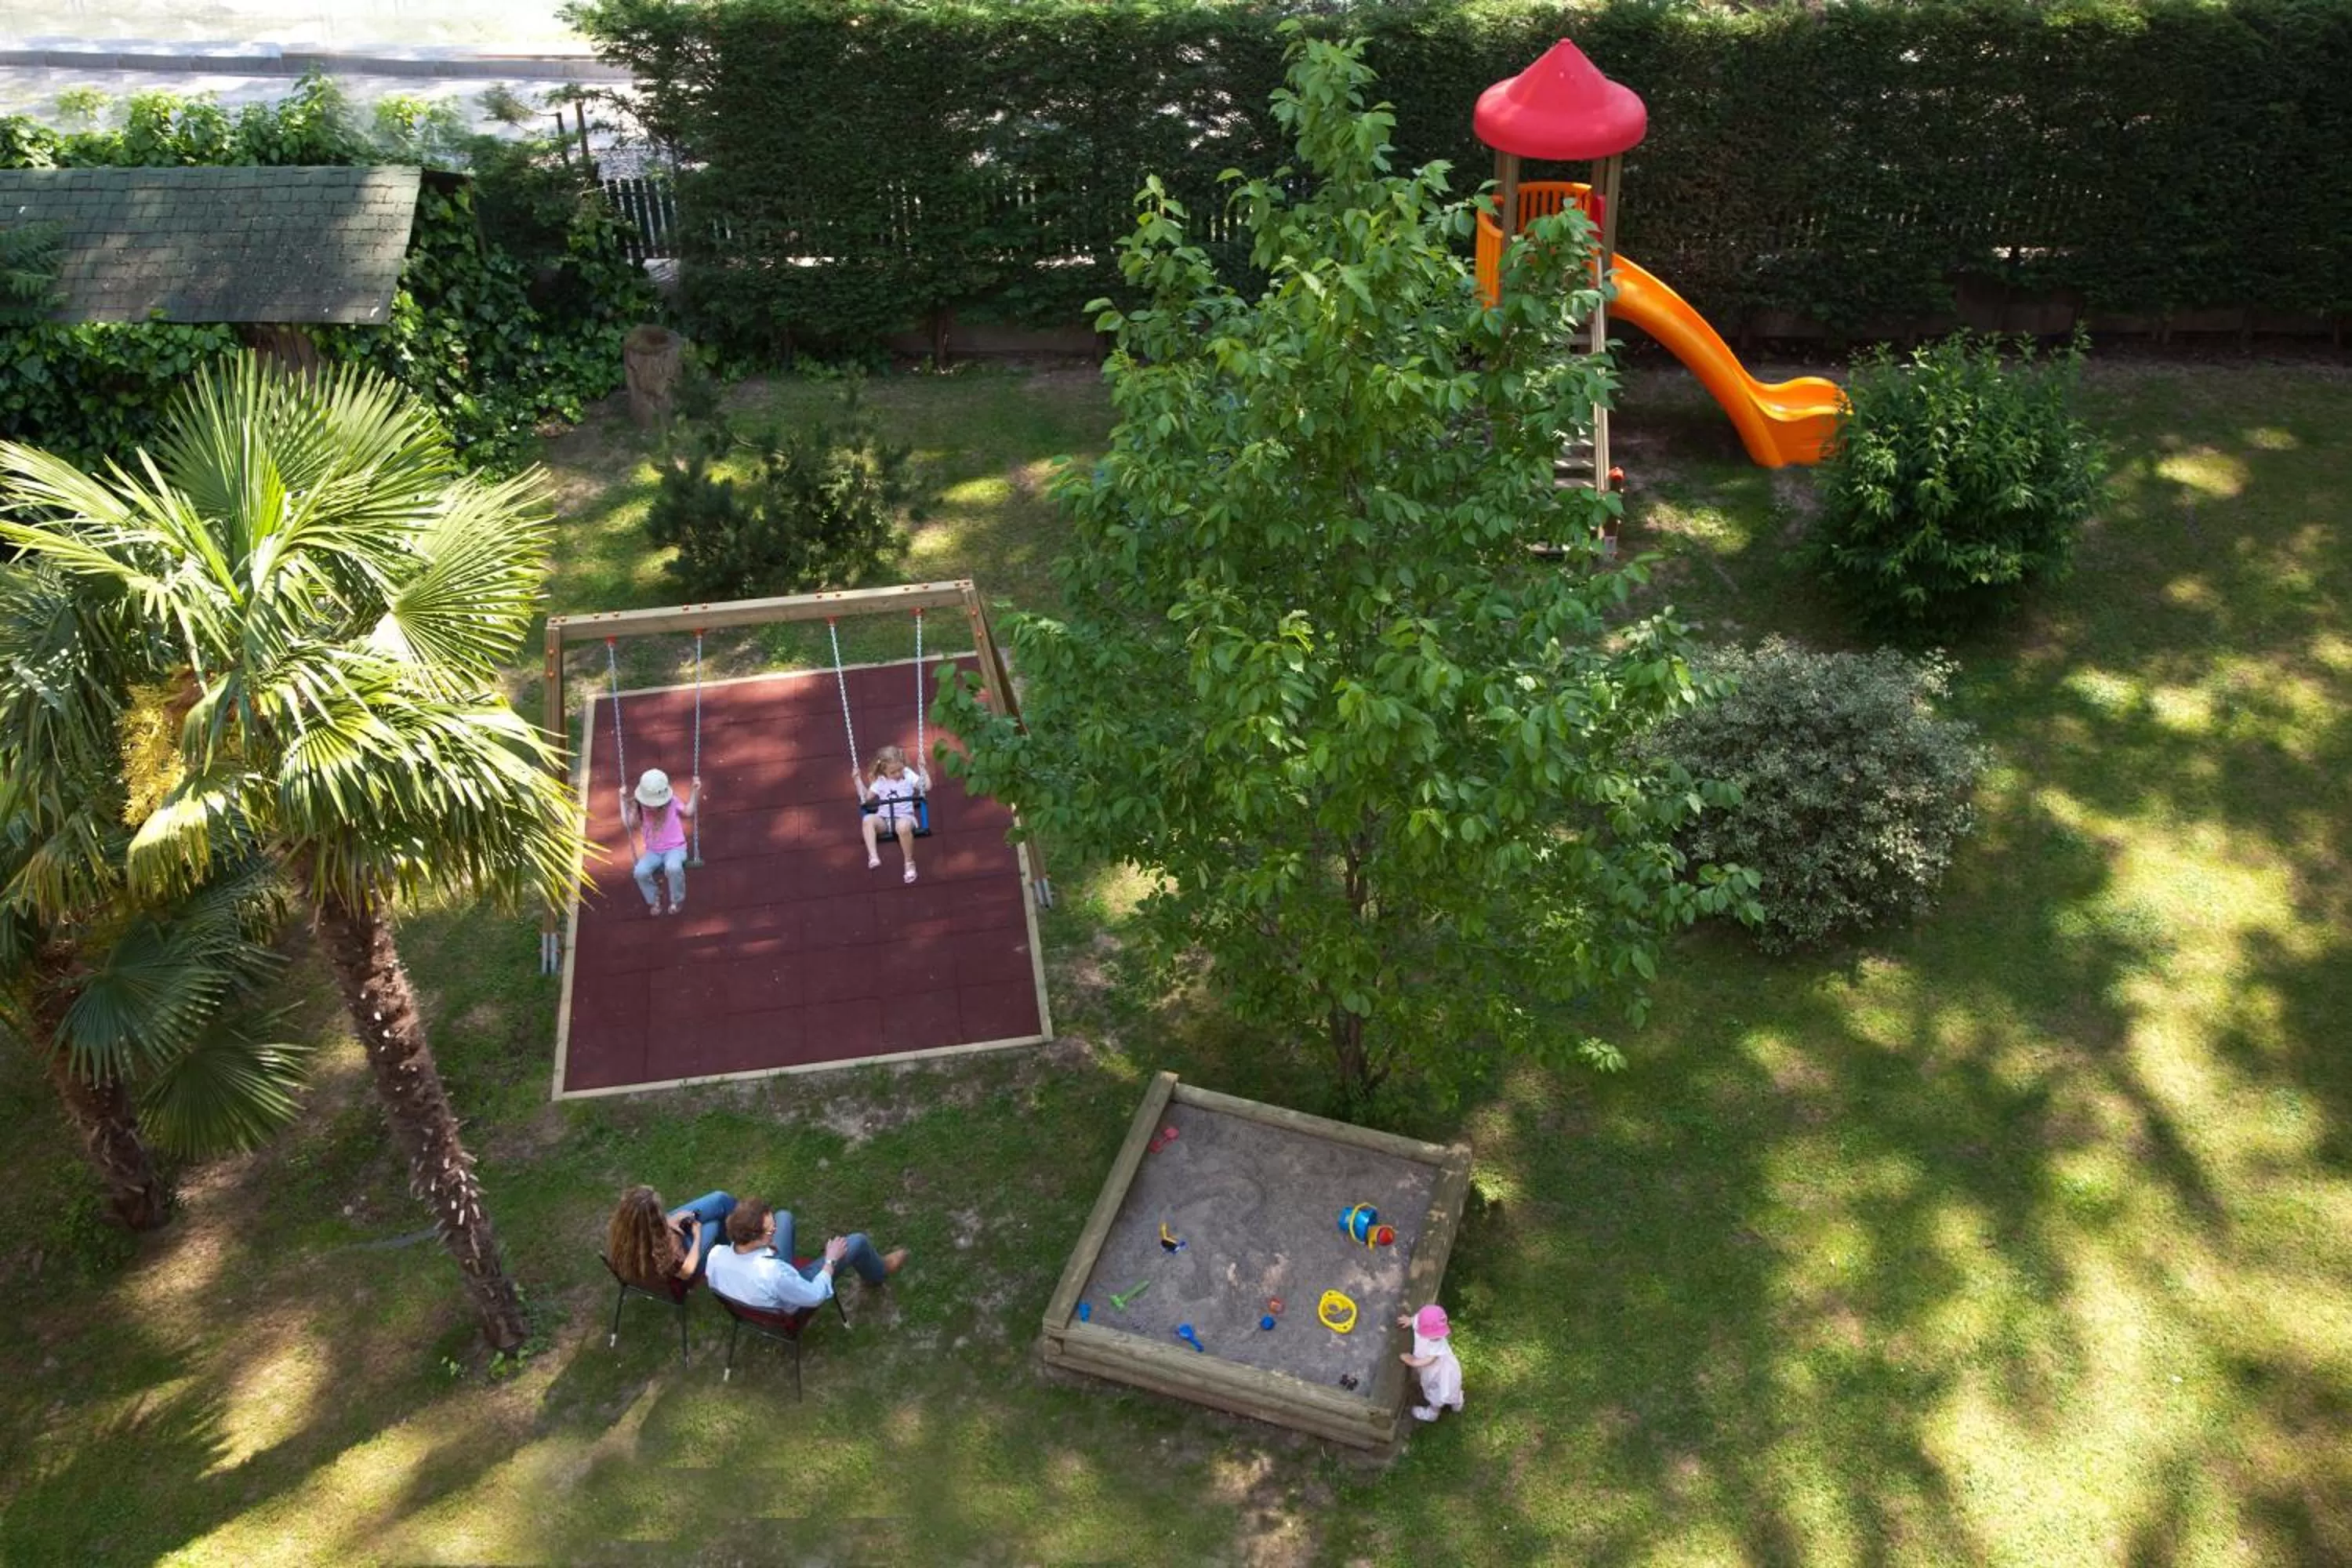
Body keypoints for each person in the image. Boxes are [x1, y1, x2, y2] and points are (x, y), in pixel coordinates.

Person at [705, 1196, 909, 1314]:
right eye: (770, 1231)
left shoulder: (715, 1255)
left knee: (785, 1217)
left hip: (756, 1294)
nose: (775, 1229)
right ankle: (878, 1272)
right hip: (789, 1305)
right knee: (856, 1242)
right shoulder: (776, 1273)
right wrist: (830, 1259)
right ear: (753, 1238)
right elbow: (814, 1296)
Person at [606, 1185, 735, 1293]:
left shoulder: (622, 1232)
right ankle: (737, 1250)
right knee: (716, 1222)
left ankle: (742, 1234)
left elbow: (647, 1232)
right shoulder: (658, 1256)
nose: (662, 1212)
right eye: (659, 1213)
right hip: (684, 1266)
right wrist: (697, 1236)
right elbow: (686, 1272)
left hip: (667, 1242)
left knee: (720, 1199)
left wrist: (668, 1222)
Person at [621, 768, 701, 915]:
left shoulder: (672, 803)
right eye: (648, 802)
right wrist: (621, 799)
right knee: (640, 872)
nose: (651, 806)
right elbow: (628, 823)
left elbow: (689, 811)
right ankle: (654, 897)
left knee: (673, 868)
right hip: (654, 852)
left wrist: (695, 790)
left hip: (675, 849)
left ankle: (677, 899)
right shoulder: (640, 807)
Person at [852, 744, 930, 884]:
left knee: (902, 826)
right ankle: (873, 856)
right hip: (884, 820)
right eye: (893, 772)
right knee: (868, 819)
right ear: (883, 771)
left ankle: (909, 862)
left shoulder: (908, 774)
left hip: (906, 818)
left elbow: (926, 787)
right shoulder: (880, 781)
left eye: (899, 769)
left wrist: (923, 769)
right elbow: (867, 797)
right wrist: (857, 781)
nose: (898, 774)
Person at [1396, 1302, 1464, 1423]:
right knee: (1452, 1388)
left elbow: (1428, 1361)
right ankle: (1457, 1402)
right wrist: (1410, 1321)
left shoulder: (1437, 1343)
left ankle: (1432, 1413)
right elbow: (1416, 1320)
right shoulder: (1421, 1321)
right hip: (1446, 1369)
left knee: (1436, 1393)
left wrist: (1411, 1361)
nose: (1437, 1337)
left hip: (1438, 1372)